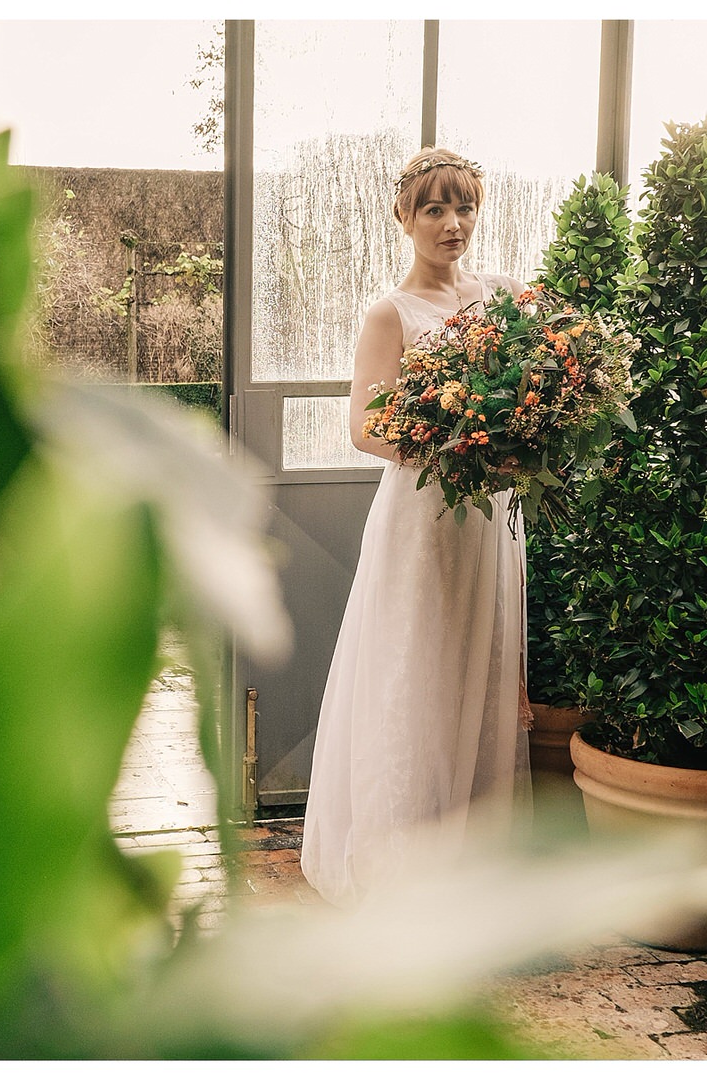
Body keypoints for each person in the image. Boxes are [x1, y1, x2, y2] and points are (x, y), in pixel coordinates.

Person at [299, 147, 534, 908]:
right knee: (415, 670)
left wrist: (525, 436)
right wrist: (457, 448)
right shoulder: (389, 312)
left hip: (489, 520)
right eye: (434, 208)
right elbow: (366, 430)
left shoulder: (501, 296)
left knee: (480, 665)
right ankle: (397, 870)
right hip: (424, 517)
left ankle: (469, 860)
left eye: (463, 206)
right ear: (404, 218)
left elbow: (535, 385)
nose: (452, 223)